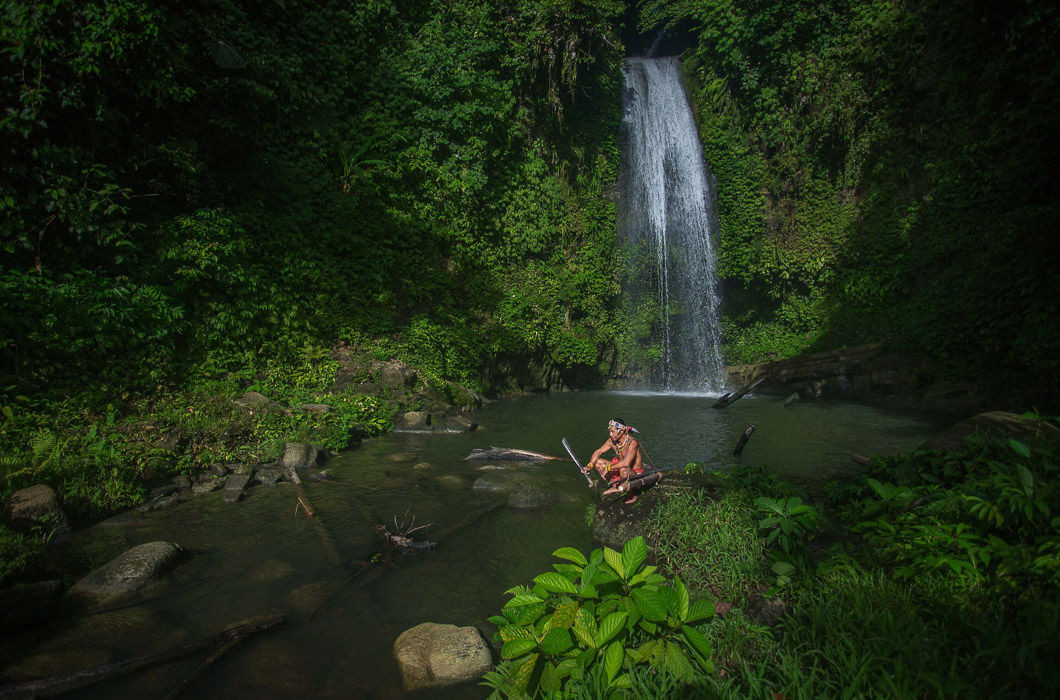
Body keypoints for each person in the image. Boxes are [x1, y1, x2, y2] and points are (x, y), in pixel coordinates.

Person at [583, 418, 645, 503]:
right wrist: (589, 465)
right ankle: (615, 485)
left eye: (613, 431)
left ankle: (632, 494)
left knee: (623, 470)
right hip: (620, 470)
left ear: (621, 431)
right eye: (610, 431)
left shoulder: (632, 442)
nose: (610, 434)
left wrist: (608, 468)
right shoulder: (612, 440)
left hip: (633, 473)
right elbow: (598, 451)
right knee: (598, 463)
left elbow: (626, 463)